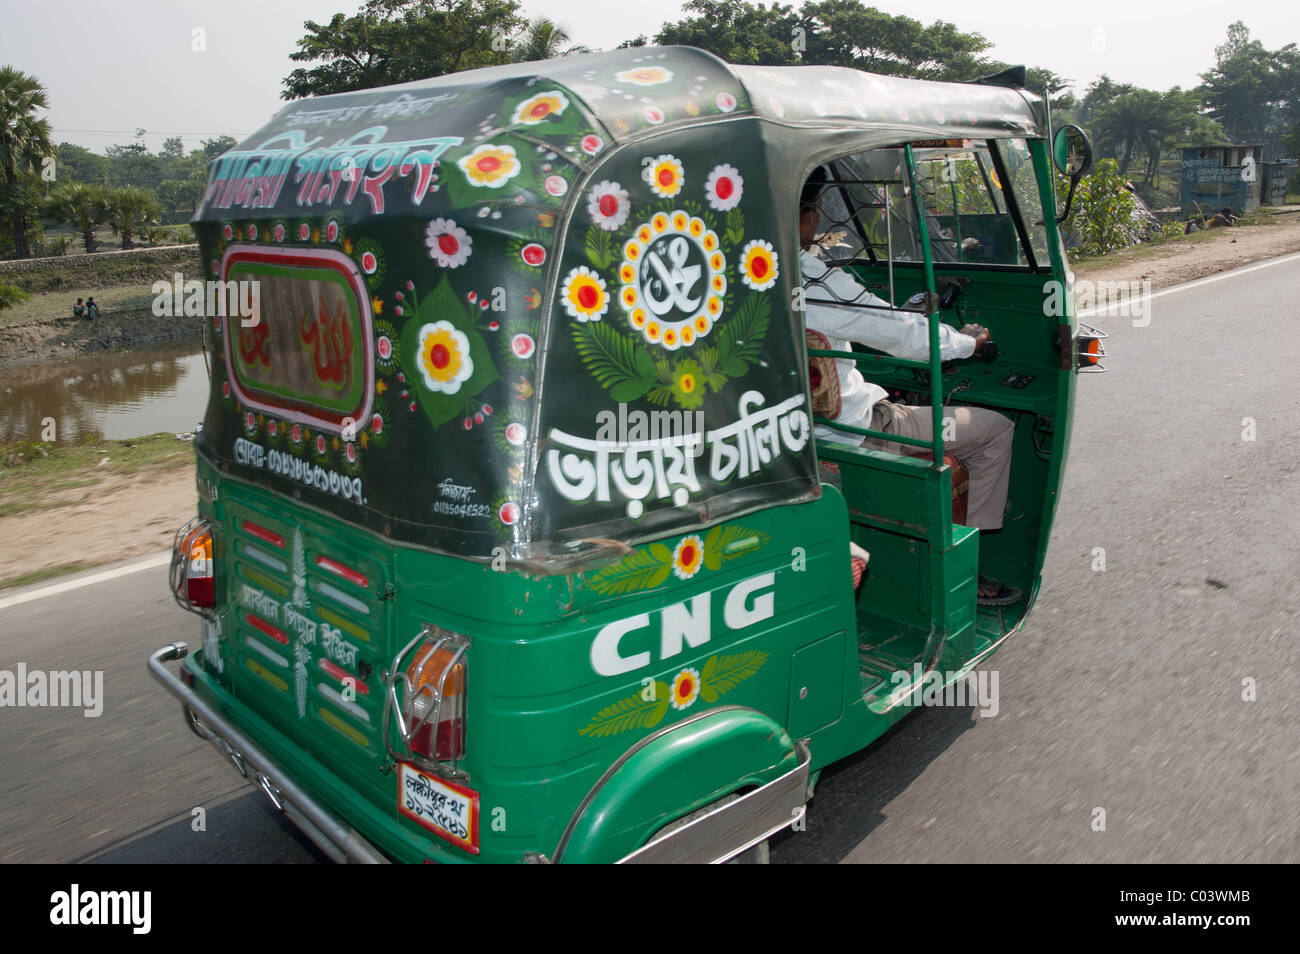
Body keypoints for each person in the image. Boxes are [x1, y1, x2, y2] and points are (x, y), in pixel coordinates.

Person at [800, 171, 1021, 606]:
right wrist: (968, 343)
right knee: (995, 429)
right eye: (816, 210)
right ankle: (966, 572)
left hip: (796, 439)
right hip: (861, 431)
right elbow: (908, 338)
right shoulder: (815, 281)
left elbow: (885, 325)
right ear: (806, 216)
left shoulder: (727, 276)